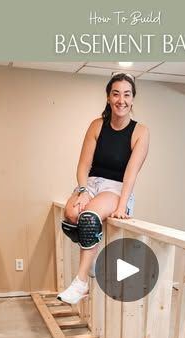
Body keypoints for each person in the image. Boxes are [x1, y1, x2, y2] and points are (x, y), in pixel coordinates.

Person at [57, 72, 150, 305]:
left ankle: (80, 284)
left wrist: (121, 206)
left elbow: (131, 174)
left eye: (127, 95)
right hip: (92, 184)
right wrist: (82, 191)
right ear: (108, 97)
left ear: (133, 99)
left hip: (117, 189)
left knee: (88, 219)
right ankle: (90, 256)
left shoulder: (140, 132)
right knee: (69, 217)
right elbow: (83, 164)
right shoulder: (97, 125)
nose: (121, 100)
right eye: (116, 94)